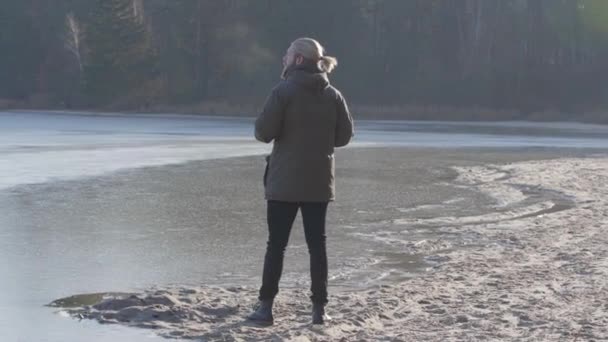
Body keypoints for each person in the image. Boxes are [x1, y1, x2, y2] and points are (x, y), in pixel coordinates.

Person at [248, 37, 354, 325]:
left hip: (283, 183)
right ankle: (319, 310)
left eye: (287, 54)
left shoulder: (283, 92)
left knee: (276, 245)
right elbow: (344, 137)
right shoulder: (333, 95)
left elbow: (263, 132)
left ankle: (265, 308)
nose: (283, 58)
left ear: (297, 60)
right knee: (317, 246)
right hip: (319, 182)